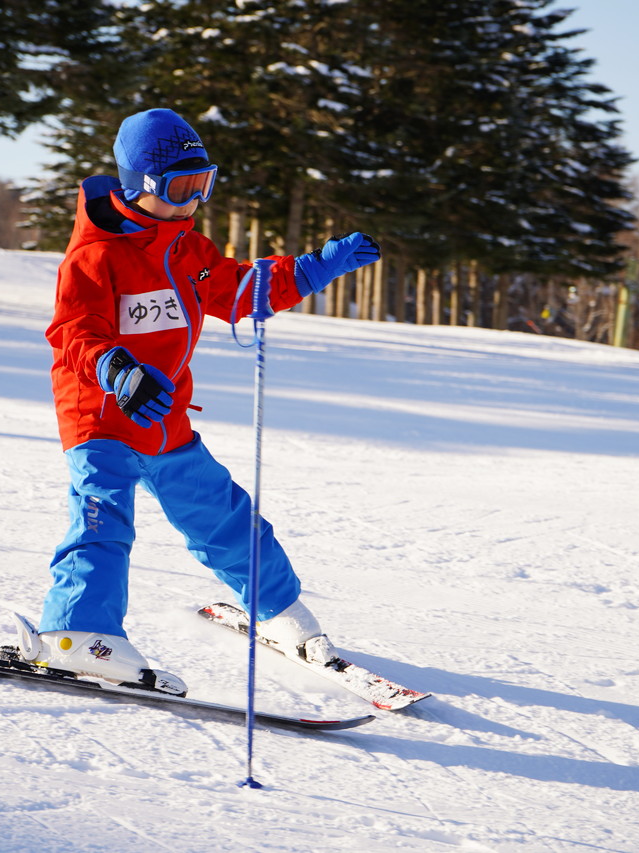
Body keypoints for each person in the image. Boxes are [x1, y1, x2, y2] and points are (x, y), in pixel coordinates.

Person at [19, 108, 381, 695]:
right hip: (102, 417)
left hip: (164, 420)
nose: (191, 201)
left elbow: (242, 290)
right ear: (139, 186)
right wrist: (117, 368)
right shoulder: (95, 254)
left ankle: (279, 610)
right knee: (102, 521)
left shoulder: (188, 248)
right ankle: (77, 633)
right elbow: (73, 331)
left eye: (202, 185)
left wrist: (319, 267)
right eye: (178, 187)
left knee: (224, 516)